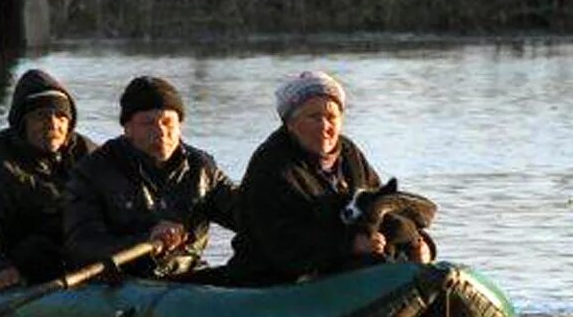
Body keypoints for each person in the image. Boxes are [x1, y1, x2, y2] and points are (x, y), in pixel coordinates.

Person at [224, 70, 434, 286]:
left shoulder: (349, 153)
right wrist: (350, 244)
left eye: (331, 117)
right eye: (314, 117)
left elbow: (380, 204)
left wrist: (417, 243)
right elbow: (281, 242)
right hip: (275, 278)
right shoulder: (271, 165)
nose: (325, 126)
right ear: (290, 123)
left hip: (341, 267)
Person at [63, 75, 238, 279]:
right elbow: (81, 245)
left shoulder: (201, 168)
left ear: (180, 125)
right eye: (148, 123)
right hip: (121, 282)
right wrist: (147, 239)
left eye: (167, 122)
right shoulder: (94, 171)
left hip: (187, 277)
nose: (161, 132)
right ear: (128, 129)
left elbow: (244, 213)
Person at [0, 68, 94, 294]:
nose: (53, 124)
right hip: (24, 274)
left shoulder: (90, 157)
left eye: (60, 116)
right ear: (23, 122)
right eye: (41, 116)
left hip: (85, 267)